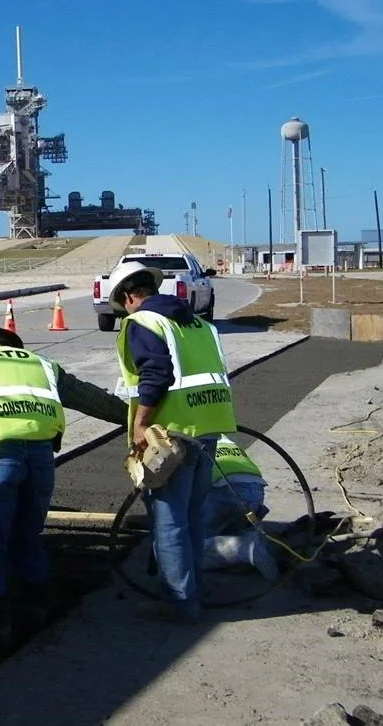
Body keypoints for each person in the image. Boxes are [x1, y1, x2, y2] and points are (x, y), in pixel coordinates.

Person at [0, 325, 126, 636]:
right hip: (41, 457)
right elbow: (91, 398)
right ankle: (36, 604)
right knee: (28, 534)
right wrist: (135, 416)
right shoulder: (40, 364)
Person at [110, 264, 237, 623]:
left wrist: (141, 422)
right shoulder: (197, 323)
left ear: (129, 297)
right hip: (208, 425)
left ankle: (180, 603)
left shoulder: (143, 323)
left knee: (169, 522)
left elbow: (156, 374)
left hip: (172, 433)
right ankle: (194, 590)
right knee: (192, 517)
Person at [202, 437, 278, 582]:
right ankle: (253, 539)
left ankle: (246, 550)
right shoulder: (220, 437)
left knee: (182, 551)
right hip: (254, 490)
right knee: (236, 526)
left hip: (219, 491)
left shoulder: (175, 439)